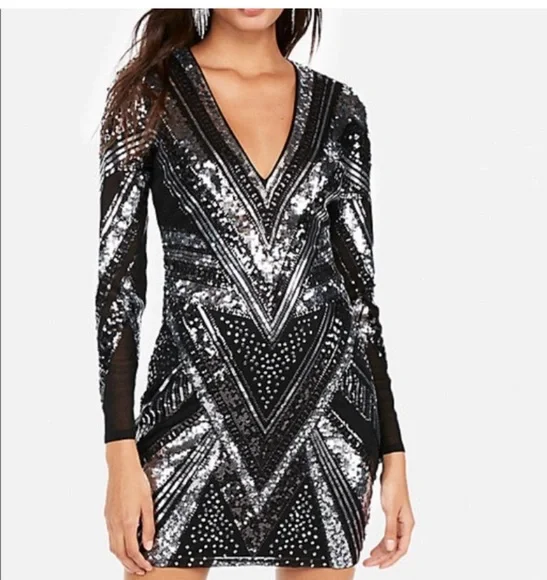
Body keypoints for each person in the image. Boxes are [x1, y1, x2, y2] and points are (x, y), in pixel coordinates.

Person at [96, 8, 414, 579]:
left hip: (328, 425)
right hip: (189, 414)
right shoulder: (149, 97)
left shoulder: (340, 109)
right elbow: (119, 286)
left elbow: (360, 294)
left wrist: (394, 453)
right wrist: (119, 448)